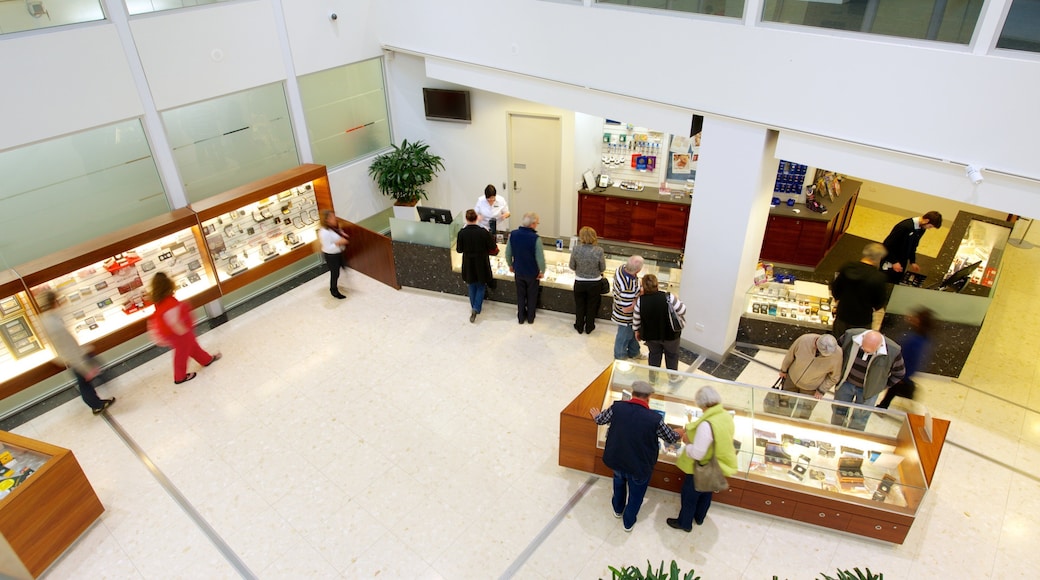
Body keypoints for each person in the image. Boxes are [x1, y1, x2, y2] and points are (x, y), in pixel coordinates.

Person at [589, 380, 681, 532]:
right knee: (636, 495)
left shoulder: (618, 407)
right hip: (639, 466)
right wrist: (680, 432)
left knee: (618, 485)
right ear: (649, 398)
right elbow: (671, 438)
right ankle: (628, 521)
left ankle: (617, 510)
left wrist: (596, 414)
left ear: (632, 394)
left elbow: (600, 420)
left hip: (617, 460)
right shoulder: (655, 419)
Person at [666, 385, 737, 532]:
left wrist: (687, 442)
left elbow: (697, 453)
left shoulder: (706, 425)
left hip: (700, 468)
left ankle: (684, 523)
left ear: (702, 404)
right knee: (706, 494)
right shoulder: (724, 416)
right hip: (715, 465)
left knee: (689, 497)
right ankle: (699, 518)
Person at [37, 291, 115, 415]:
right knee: (85, 381)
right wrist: (81, 364)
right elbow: (68, 346)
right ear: (53, 302)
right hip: (75, 358)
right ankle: (97, 404)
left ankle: (96, 401)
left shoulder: (46, 319)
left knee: (85, 380)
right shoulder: (54, 324)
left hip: (71, 356)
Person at [149, 272, 220, 384]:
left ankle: (206, 360)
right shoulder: (169, 303)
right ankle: (180, 377)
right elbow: (173, 322)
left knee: (193, 347)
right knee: (182, 354)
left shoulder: (160, 302)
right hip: (179, 333)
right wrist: (185, 332)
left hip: (174, 333)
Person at [831, 329, 905, 430]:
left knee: (860, 419)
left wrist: (879, 386)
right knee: (838, 412)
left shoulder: (893, 351)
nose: (865, 353)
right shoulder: (849, 337)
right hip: (845, 384)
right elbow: (835, 354)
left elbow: (899, 373)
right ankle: (836, 433)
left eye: (870, 352)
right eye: (863, 349)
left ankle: (853, 439)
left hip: (869, 392)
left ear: (879, 347)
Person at [878, 307, 935, 409]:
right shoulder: (923, 338)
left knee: (896, 388)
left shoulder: (914, 340)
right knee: (894, 389)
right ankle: (884, 405)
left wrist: (902, 375)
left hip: (903, 370)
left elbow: (907, 357)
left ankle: (885, 405)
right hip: (904, 371)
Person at [633, 274, 686, 384]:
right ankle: (673, 377)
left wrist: (636, 331)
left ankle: (653, 378)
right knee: (672, 355)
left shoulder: (640, 301)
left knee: (654, 355)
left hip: (651, 336)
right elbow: (682, 311)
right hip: (671, 335)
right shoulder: (668, 297)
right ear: (657, 284)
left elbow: (636, 319)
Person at [830, 242, 889, 339]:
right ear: (879, 258)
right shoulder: (878, 277)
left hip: (843, 314)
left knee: (837, 342)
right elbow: (879, 303)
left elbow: (836, 289)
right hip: (862, 320)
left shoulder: (847, 267)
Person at [777, 333, 842, 419]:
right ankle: (782, 423)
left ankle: (798, 430)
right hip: (792, 379)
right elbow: (790, 355)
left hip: (812, 389)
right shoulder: (804, 340)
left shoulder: (837, 354)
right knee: (783, 406)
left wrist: (822, 390)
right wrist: (783, 370)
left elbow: (834, 377)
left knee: (804, 413)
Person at [455, 209, 497, 323]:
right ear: (476, 218)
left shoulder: (462, 233)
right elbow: (492, 246)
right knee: (481, 285)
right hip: (481, 263)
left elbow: (459, 250)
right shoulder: (483, 232)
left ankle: (473, 306)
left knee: (471, 284)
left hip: (468, 263)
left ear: (466, 218)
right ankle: (476, 308)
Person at [881, 211, 943, 284]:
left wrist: (912, 261)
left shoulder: (921, 229)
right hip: (890, 259)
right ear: (926, 221)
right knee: (884, 281)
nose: (929, 228)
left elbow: (913, 245)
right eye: (930, 226)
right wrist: (894, 262)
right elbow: (886, 245)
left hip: (901, 260)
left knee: (895, 281)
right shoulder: (904, 227)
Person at [505, 212, 545, 324]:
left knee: (520, 295)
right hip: (532, 273)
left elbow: (508, 253)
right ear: (532, 224)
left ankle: (521, 317)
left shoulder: (513, 234)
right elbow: (540, 258)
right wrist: (542, 271)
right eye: (537, 223)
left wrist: (510, 265)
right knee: (532, 296)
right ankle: (531, 318)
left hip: (518, 270)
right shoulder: (535, 238)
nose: (537, 225)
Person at [569, 226, 606, 334]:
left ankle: (579, 326)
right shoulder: (599, 250)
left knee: (580, 305)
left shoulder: (576, 249)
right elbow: (602, 268)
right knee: (592, 305)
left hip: (579, 282)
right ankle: (589, 327)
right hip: (595, 283)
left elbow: (572, 266)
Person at [612, 255, 645, 360]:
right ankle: (620, 357)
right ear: (638, 270)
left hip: (626, 314)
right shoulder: (628, 286)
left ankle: (634, 352)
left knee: (632, 334)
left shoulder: (621, 268)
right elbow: (626, 309)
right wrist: (639, 297)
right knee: (623, 337)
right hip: (625, 317)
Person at [318, 209, 350, 299]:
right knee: (335, 273)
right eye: (332, 217)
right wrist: (339, 242)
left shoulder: (332, 227)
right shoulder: (324, 233)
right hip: (331, 256)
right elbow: (328, 247)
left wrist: (342, 234)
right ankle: (334, 290)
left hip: (338, 253)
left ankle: (345, 277)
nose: (335, 218)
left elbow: (337, 233)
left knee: (342, 267)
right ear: (326, 219)